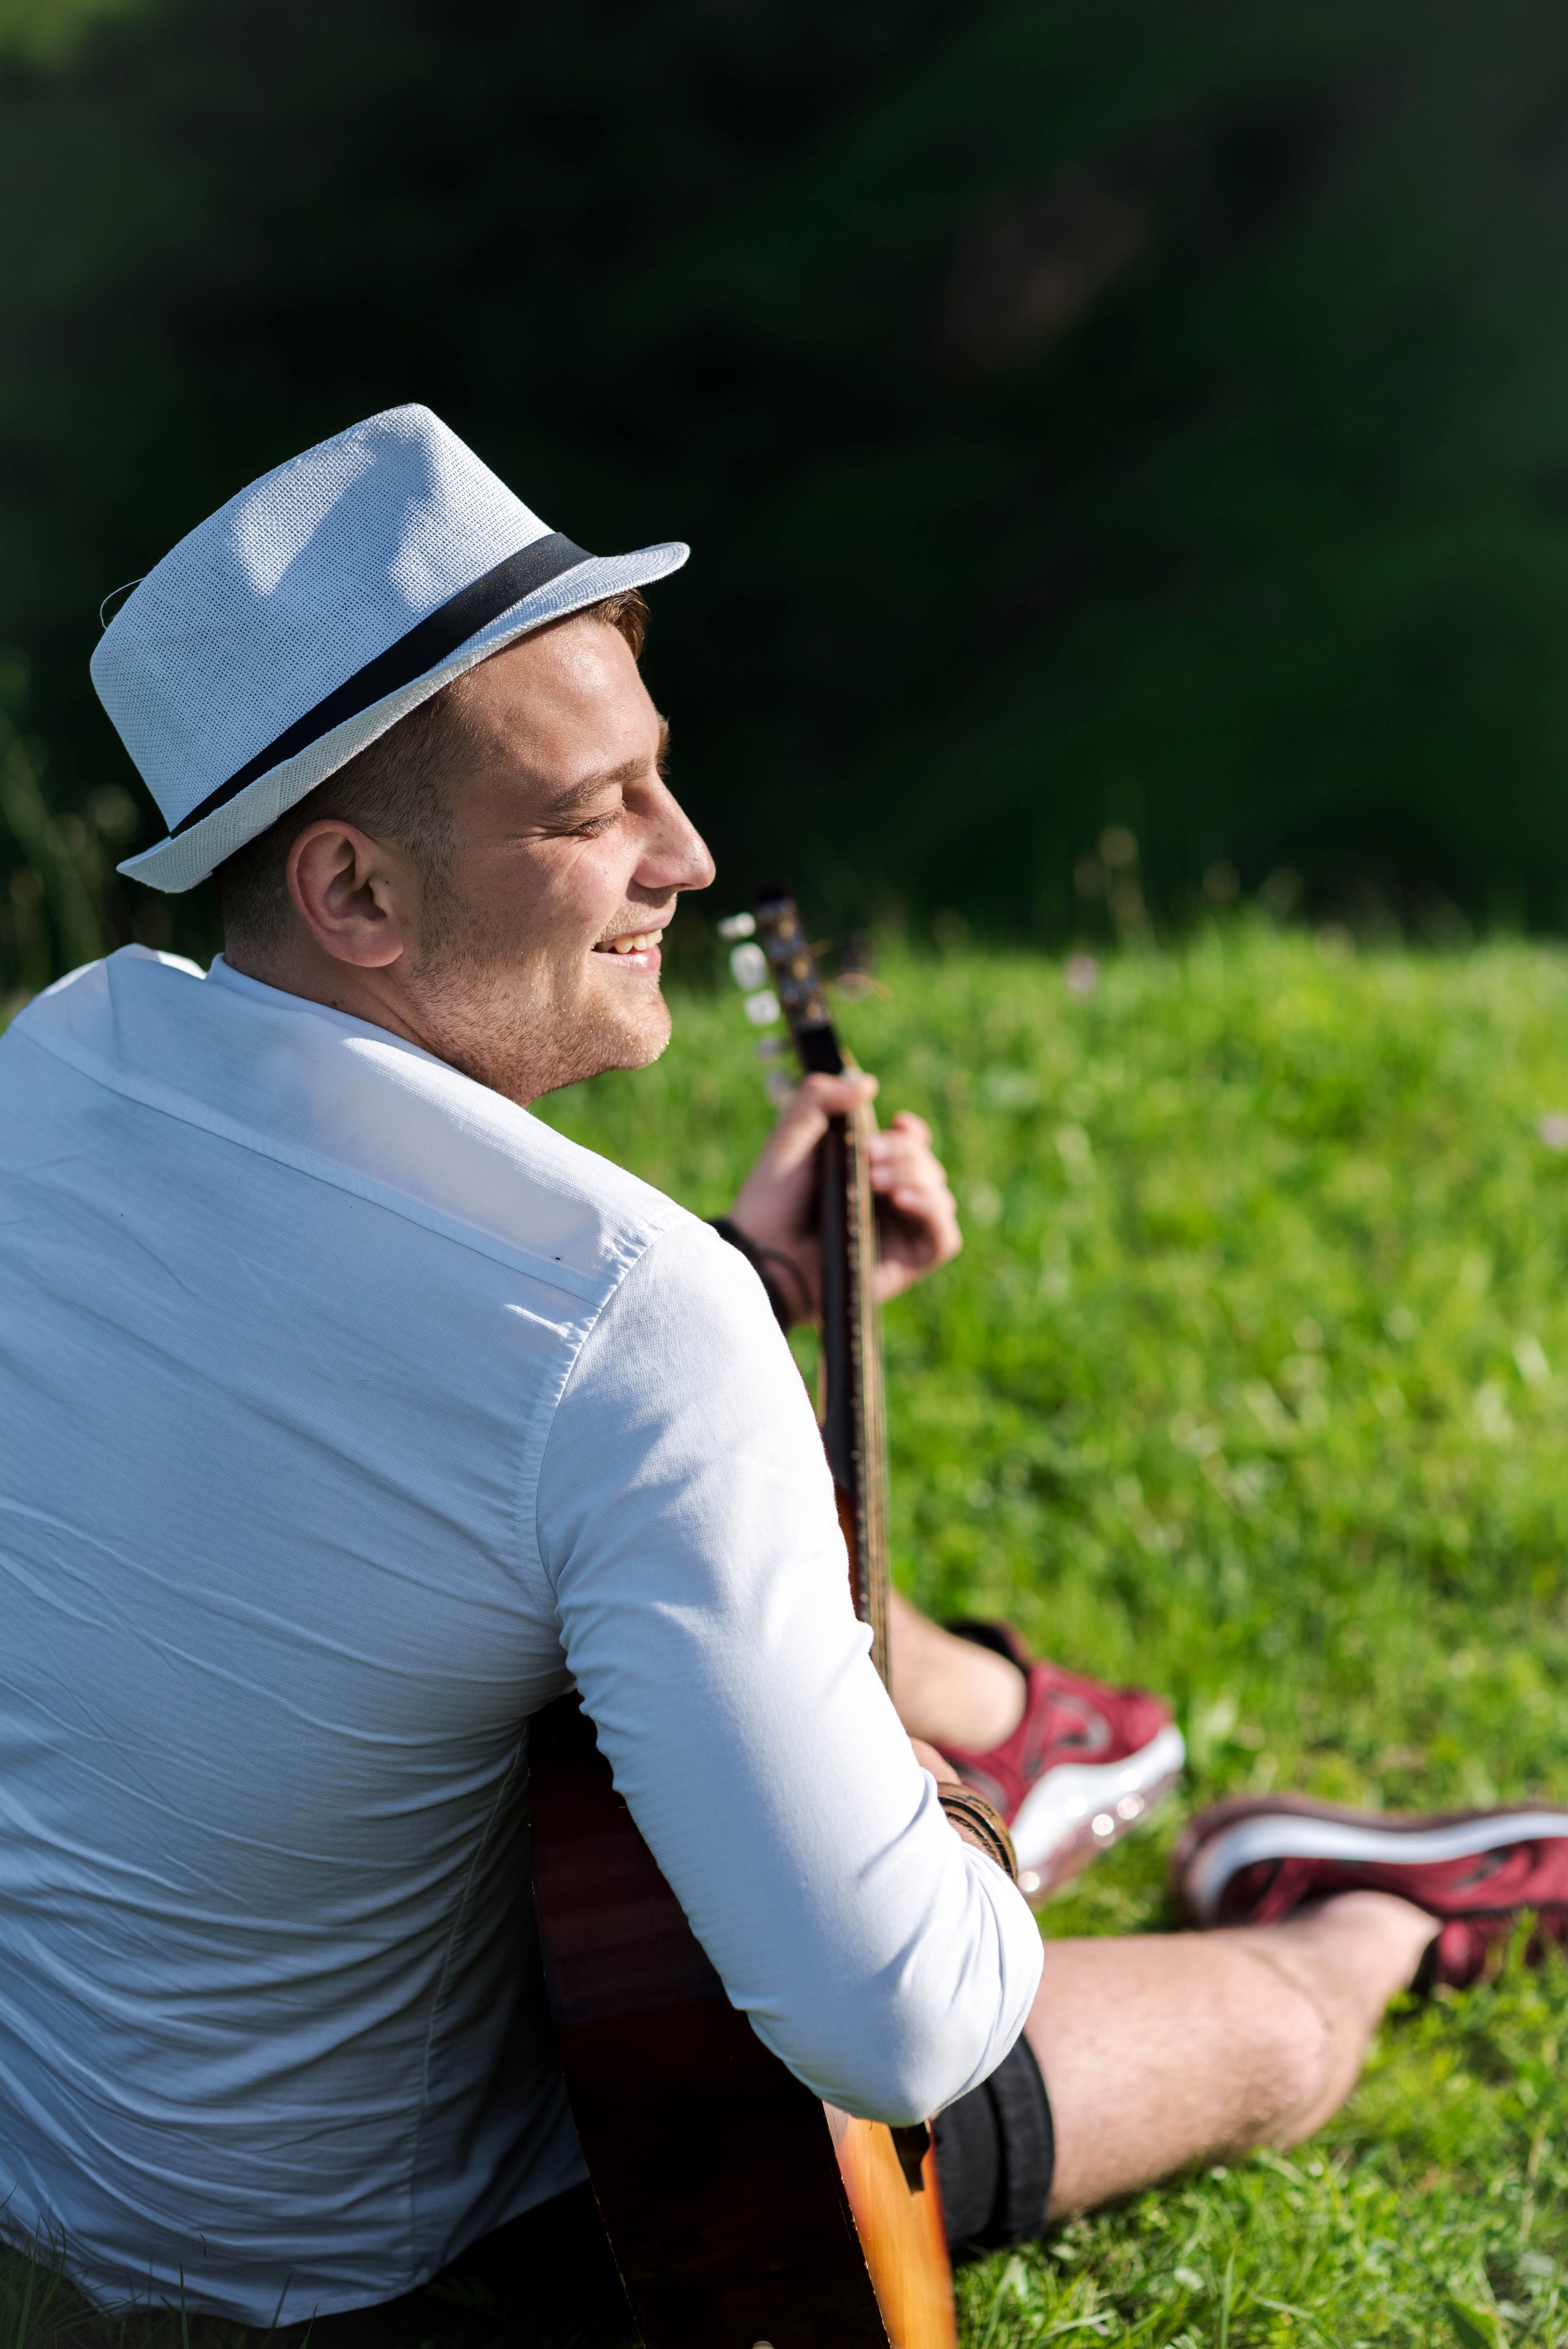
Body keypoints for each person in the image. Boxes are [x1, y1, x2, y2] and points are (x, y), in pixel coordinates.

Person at [2, 407, 1566, 2333]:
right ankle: (1371, 1908)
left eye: (659, 780)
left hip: (58, 2184)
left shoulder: (54, 1069)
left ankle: (1066, 1759)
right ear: (356, 895)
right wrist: (936, 1818)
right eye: (594, 813)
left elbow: (318, 1443)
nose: (690, 854)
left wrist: (751, 1283)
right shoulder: (625, 1313)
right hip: (419, 2262)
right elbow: (902, 2023)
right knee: (1263, 2034)